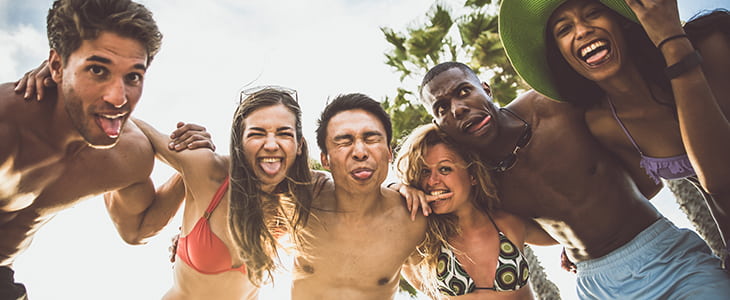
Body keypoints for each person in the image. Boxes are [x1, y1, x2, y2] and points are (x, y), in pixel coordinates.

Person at [412, 61, 730, 299]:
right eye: (442, 107)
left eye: (464, 91)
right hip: (596, 283)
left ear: (486, 88)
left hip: (664, 254)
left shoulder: (555, 107)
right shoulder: (476, 180)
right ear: (438, 122)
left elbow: (673, 159)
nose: (458, 108)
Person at [0, 1, 208, 298]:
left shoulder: (128, 154)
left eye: (133, 76)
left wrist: (189, 169)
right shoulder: (8, 127)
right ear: (56, 66)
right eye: (97, 70)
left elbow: (137, 230)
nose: (118, 97)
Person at [498, 0, 730, 263]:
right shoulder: (606, 124)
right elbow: (631, 196)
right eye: (564, 29)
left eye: (593, 14)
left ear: (621, 21)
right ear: (560, 54)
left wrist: (671, 41)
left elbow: (720, 175)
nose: (582, 30)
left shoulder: (712, 45)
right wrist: (585, 241)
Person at [132, 87, 315, 299]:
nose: (271, 145)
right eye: (257, 133)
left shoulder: (304, 196)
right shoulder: (209, 171)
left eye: (284, 133)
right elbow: (134, 125)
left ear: (299, 145)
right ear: (239, 143)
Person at [394, 123, 556, 299]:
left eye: (445, 169)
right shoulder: (422, 243)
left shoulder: (508, 222)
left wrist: (569, 252)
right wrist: (398, 187)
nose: (432, 181)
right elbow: (369, 209)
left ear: (472, 176)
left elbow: (571, 237)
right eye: (425, 171)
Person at [290, 93, 427, 299]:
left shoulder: (414, 218)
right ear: (325, 160)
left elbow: (440, 286)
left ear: (390, 153)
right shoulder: (305, 198)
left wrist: (399, 187)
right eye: (344, 142)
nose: (360, 152)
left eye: (371, 139)